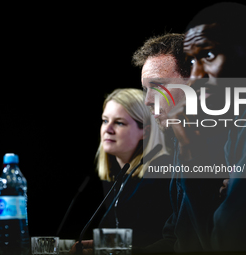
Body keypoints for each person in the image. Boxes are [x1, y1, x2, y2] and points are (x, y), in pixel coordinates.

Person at [166, 2, 246, 253]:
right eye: (191, 61)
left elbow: (227, 243)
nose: (195, 78)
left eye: (209, 55)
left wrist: (193, 155)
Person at [133, 32, 229, 253]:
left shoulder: (234, 142)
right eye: (146, 89)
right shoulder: (182, 144)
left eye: (157, 86)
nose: (147, 100)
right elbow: (177, 240)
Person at [70, 88, 172, 253]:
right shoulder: (116, 178)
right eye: (104, 121)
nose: (107, 129)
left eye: (119, 123)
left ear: (145, 131)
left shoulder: (163, 172)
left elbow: (168, 241)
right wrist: (102, 246)